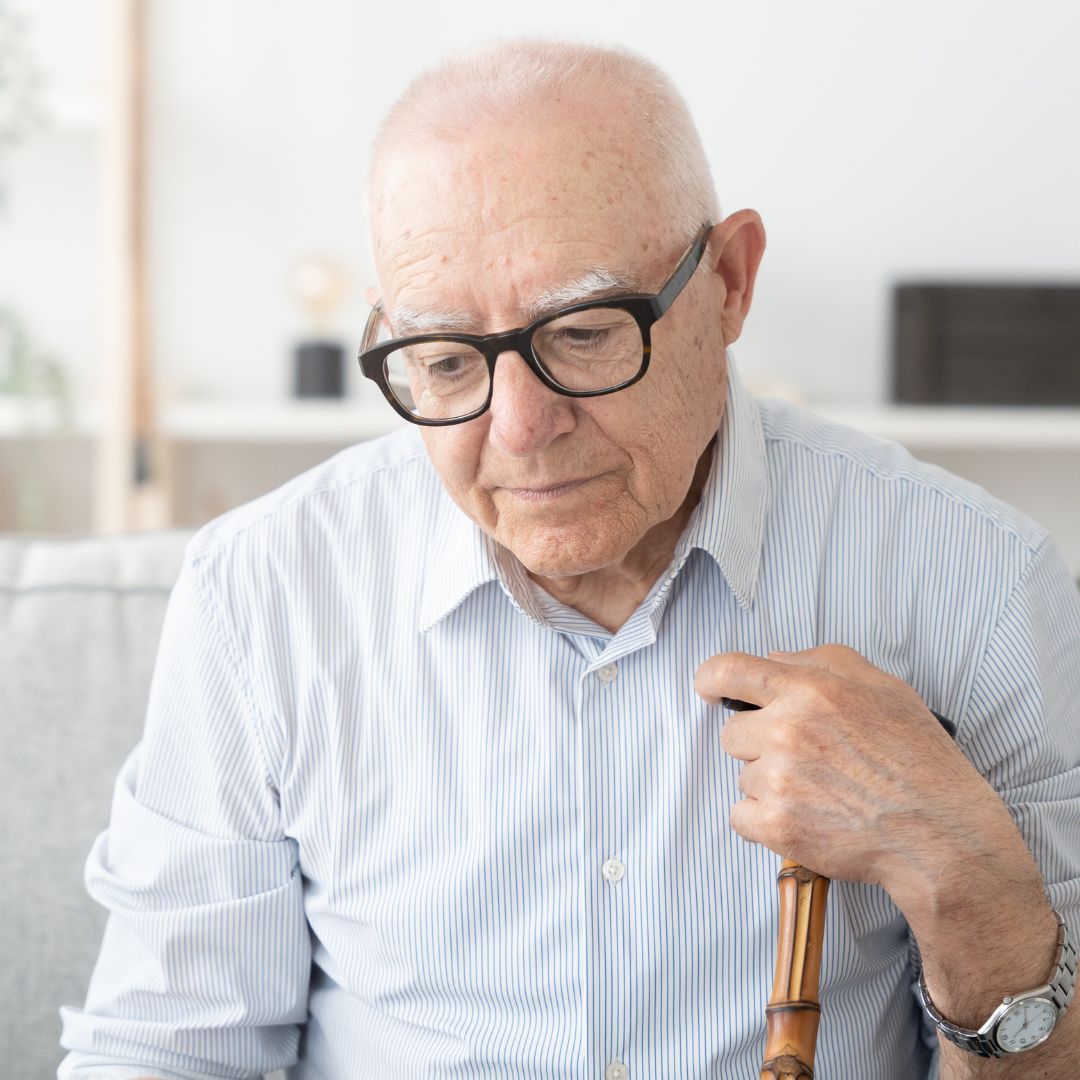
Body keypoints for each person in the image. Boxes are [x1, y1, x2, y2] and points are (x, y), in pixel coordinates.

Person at [59, 38, 1079, 1080]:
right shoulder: (262, 596)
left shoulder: (982, 588)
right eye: (448, 359)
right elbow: (162, 1049)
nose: (521, 427)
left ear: (729, 283)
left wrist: (964, 877)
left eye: (586, 334)